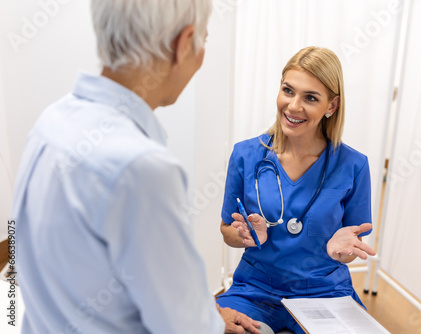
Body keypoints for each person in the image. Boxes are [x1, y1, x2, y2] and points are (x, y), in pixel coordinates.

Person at [12, 1, 261, 333]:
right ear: (184, 44)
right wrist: (203, 320)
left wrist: (203, 310)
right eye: (204, 38)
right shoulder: (143, 169)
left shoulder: (51, 122)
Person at [217, 46, 376, 333]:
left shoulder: (354, 165)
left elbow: (352, 245)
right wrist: (243, 236)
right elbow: (227, 230)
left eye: (310, 98)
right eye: (288, 91)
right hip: (256, 289)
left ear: (332, 106)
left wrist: (343, 253)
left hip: (324, 292)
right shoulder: (246, 155)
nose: (293, 106)